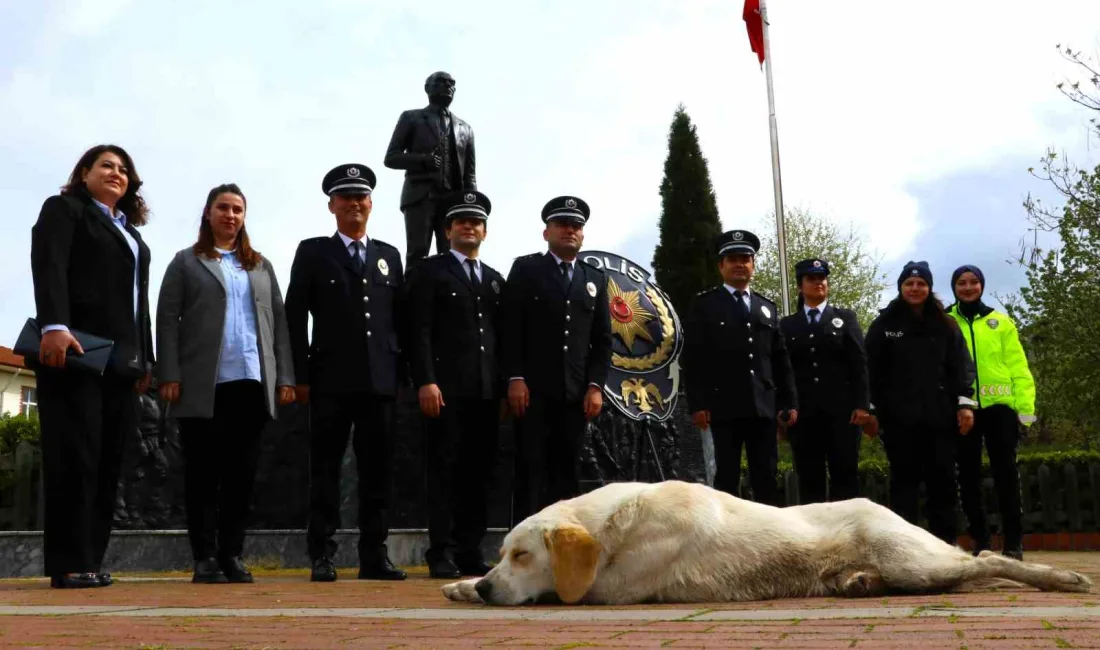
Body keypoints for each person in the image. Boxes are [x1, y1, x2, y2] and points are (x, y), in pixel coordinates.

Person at [155, 183, 296, 584]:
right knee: (202, 474)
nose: (230, 215)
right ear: (208, 213)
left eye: (237, 209)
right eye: (223, 208)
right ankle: (204, 557)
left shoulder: (259, 265)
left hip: (251, 383)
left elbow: (280, 324)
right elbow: (166, 320)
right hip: (204, 384)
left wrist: (284, 376)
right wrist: (169, 373)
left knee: (241, 475)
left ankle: (232, 554)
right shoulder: (186, 262)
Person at [30, 144, 154, 588]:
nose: (116, 173)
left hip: (121, 361)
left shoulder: (132, 235)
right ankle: (68, 563)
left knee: (107, 461)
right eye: (106, 165)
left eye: (124, 169)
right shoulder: (65, 210)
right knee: (75, 456)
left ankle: (91, 558)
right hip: (76, 351)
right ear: (84, 173)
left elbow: (140, 303)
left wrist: (146, 358)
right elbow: (50, 265)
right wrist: (54, 326)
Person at [284, 164, 407, 582]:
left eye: (362, 197)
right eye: (346, 197)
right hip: (329, 380)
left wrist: (401, 376)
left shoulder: (389, 255)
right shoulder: (314, 252)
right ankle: (322, 552)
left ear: (371, 204)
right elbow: (295, 317)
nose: (355, 203)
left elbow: (400, 321)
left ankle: (374, 553)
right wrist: (299, 377)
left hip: (380, 381)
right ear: (332, 205)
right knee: (326, 469)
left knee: (378, 472)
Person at [406, 191, 503, 579]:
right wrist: (426, 380)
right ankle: (441, 551)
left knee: (479, 474)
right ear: (447, 230)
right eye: (461, 221)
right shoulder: (431, 271)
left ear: (485, 231)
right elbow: (420, 330)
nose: (469, 226)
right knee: (444, 471)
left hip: (485, 392)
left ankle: (470, 549)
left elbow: (502, 338)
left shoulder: (495, 280)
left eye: (476, 221)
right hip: (445, 391)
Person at [501, 196, 612, 525]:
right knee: (530, 472)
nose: (570, 230)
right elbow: (510, 328)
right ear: (546, 232)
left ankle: (559, 551)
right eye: (562, 224)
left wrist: (595, 386)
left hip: (574, 394)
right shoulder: (527, 269)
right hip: (533, 393)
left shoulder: (594, 278)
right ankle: (521, 552)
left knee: (566, 476)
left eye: (577, 226)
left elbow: (602, 340)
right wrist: (515, 378)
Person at [683, 229, 798, 506]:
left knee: (766, 476)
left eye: (745, 259)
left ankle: (768, 539)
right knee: (726, 477)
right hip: (723, 406)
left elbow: (780, 359)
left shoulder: (766, 307)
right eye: (732, 259)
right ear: (721, 266)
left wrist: (789, 401)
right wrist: (698, 404)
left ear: (753, 265)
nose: (739, 264)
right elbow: (693, 358)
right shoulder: (705, 305)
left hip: (763, 407)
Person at [865, 261, 976, 545]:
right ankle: (906, 548)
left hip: (940, 419)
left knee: (943, 484)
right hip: (898, 421)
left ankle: (946, 546)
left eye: (921, 284)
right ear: (901, 287)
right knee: (904, 484)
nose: (915, 289)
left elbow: (961, 367)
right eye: (909, 284)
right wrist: (872, 411)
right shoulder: (884, 325)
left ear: (929, 288)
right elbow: (870, 371)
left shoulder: (946, 325)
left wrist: (965, 405)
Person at [948, 264, 1036, 560]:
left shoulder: (1001, 322)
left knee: (1006, 475)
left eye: (974, 282)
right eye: (962, 282)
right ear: (954, 287)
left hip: (1001, 409)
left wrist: (1026, 411)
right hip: (963, 409)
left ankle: (1013, 543)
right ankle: (981, 542)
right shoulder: (945, 321)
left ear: (982, 285)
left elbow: (1018, 367)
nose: (968, 287)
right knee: (968, 477)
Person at [779, 258, 870, 504]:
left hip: (842, 413)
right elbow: (783, 369)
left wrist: (863, 405)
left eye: (822, 278)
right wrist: (784, 408)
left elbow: (859, 363)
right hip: (804, 415)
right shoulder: (788, 325)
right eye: (811, 279)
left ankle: (849, 537)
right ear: (800, 286)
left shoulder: (845, 318)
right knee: (809, 478)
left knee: (845, 475)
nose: (818, 283)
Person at [384, 71, 477, 271]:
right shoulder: (412, 118)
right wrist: (424, 160)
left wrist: (473, 206)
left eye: (452, 83)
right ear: (428, 88)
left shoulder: (465, 129)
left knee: (452, 256)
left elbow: (469, 175)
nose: (448, 86)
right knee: (418, 252)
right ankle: (413, 298)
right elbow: (391, 157)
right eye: (441, 82)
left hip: (452, 201)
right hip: (420, 196)